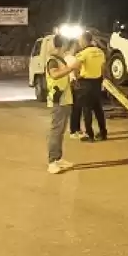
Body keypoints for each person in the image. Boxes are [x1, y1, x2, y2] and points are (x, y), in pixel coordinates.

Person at [45, 35, 77, 174]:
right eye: (64, 45)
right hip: (58, 100)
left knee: (61, 131)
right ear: (60, 46)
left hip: (65, 100)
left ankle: (58, 159)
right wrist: (70, 69)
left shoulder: (60, 59)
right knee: (56, 131)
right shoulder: (52, 61)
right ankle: (52, 162)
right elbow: (55, 75)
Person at [76, 31, 108, 142]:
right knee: (99, 110)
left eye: (80, 40)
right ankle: (103, 133)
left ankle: (90, 135)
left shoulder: (83, 53)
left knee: (87, 110)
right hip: (97, 83)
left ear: (85, 40)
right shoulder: (100, 52)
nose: (79, 43)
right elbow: (103, 68)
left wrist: (77, 77)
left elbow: (76, 67)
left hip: (86, 83)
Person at [66, 42, 84, 139]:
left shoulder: (65, 58)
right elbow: (78, 72)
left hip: (69, 84)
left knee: (75, 108)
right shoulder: (73, 59)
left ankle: (75, 129)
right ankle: (74, 130)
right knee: (77, 108)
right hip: (74, 84)